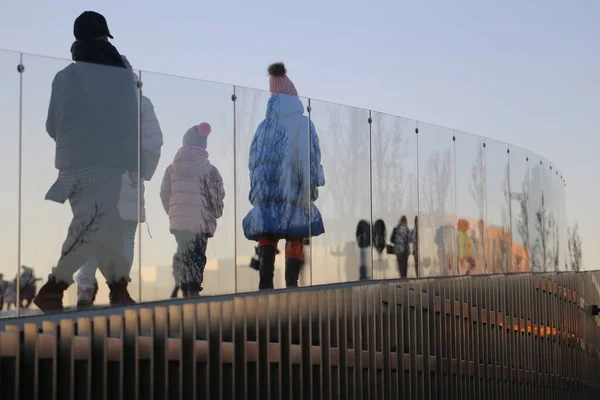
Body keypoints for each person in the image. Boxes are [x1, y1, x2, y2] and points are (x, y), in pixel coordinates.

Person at [34, 11, 138, 312]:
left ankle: (119, 290)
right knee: (95, 225)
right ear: (103, 36)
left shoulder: (63, 76)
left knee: (104, 225)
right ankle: (54, 288)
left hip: (70, 166)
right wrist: (132, 163)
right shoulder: (117, 69)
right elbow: (128, 120)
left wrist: (72, 148)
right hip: (105, 161)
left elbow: (52, 126)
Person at [73, 55, 164, 308]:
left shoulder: (90, 99)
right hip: (128, 176)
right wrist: (140, 168)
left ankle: (85, 287)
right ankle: (118, 289)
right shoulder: (140, 103)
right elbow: (154, 141)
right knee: (125, 236)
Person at [242, 62, 325, 290]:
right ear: (293, 96)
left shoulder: (263, 127)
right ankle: (291, 285)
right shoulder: (302, 123)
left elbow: (253, 162)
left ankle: (265, 284)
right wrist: (311, 189)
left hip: (266, 193)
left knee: (267, 236)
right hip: (293, 189)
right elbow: (310, 158)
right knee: (295, 234)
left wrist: (257, 191)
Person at [160, 123, 225, 297]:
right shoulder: (209, 170)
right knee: (197, 255)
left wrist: (174, 213)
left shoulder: (171, 169)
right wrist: (217, 212)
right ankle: (194, 290)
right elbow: (215, 196)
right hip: (201, 221)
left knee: (184, 253)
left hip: (179, 221)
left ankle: (185, 288)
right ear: (203, 145)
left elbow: (164, 194)